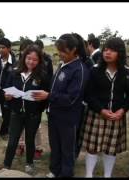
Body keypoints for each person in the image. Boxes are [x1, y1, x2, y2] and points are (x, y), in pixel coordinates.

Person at [81, 38, 129, 178]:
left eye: (112, 50)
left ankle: (107, 175)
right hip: (96, 115)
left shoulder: (127, 72)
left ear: (120, 53)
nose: (107, 53)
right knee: (92, 148)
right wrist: (101, 110)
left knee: (110, 150)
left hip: (116, 116)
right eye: (105, 49)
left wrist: (122, 111)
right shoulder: (94, 70)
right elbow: (88, 95)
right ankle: (89, 174)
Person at [44, 33, 90, 177]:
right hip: (53, 114)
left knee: (67, 149)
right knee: (55, 145)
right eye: (59, 50)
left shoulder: (79, 69)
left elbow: (71, 98)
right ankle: (54, 170)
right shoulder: (62, 65)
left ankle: (66, 174)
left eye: (64, 51)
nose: (60, 54)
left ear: (74, 49)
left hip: (68, 118)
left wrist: (49, 96)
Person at [3, 45, 50, 175]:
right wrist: (7, 96)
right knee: (13, 140)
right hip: (16, 113)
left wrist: (41, 102)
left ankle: (29, 163)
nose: (31, 62)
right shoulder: (15, 72)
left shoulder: (42, 76)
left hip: (33, 115)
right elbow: (6, 88)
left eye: (35, 60)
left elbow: (47, 95)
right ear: (24, 58)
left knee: (30, 140)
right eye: (29, 58)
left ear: (39, 61)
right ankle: (6, 164)